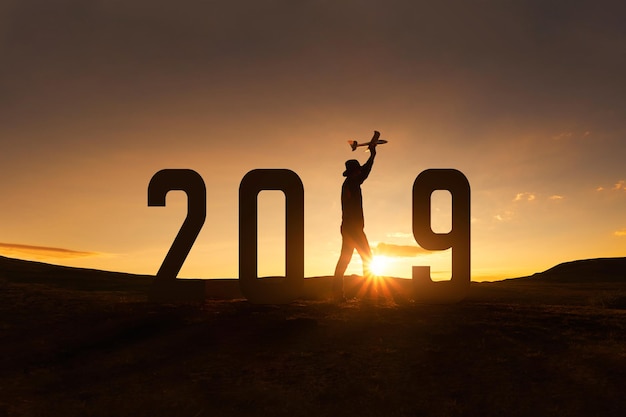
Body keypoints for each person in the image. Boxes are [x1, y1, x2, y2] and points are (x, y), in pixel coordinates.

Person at [332, 133, 379, 301]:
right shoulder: (351, 184)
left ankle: (338, 293)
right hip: (353, 228)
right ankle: (368, 294)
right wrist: (372, 154)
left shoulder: (350, 183)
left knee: (345, 259)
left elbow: (364, 172)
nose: (360, 172)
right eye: (358, 170)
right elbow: (365, 172)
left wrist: (372, 155)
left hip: (349, 228)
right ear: (354, 172)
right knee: (367, 258)